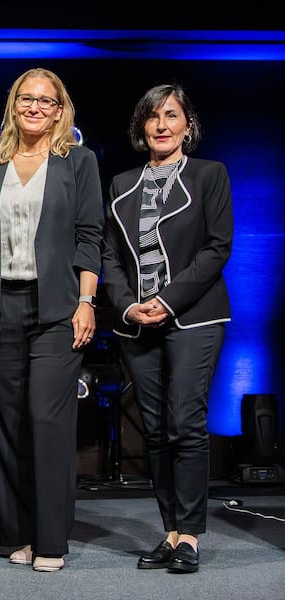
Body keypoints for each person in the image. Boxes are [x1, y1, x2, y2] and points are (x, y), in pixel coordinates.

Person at [0, 67, 104, 573]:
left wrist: (87, 301)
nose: (36, 108)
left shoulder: (78, 162)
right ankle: (16, 533)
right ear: (13, 105)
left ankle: (51, 540)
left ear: (61, 109)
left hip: (57, 309)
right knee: (4, 426)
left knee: (47, 421)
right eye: (28, 99)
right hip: (0, 308)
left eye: (47, 101)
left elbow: (91, 236)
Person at [102, 83, 231, 574]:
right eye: (152, 117)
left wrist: (166, 300)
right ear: (141, 128)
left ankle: (191, 536)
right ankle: (170, 532)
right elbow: (109, 255)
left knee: (185, 423)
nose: (161, 125)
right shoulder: (121, 185)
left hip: (194, 315)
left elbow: (216, 249)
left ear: (187, 125)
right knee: (155, 432)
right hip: (138, 323)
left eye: (171, 115)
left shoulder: (209, 175)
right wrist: (127, 306)